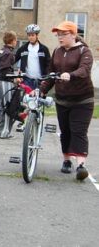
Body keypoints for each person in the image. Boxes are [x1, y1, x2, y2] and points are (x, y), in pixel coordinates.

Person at [39, 21, 94, 181]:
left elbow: (84, 70)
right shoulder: (57, 51)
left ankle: (81, 166)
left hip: (83, 99)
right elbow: (51, 74)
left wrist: (71, 74)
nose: (60, 37)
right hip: (62, 100)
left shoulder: (84, 51)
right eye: (58, 34)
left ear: (73, 34)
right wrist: (42, 89)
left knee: (79, 131)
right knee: (65, 132)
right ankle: (66, 161)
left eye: (63, 34)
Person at [15, 24, 51, 90]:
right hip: (27, 80)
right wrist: (17, 76)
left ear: (37, 35)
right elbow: (13, 60)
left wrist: (46, 79)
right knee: (26, 99)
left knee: (39, 99)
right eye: (29, 35)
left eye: (32, 35)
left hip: (41, 81)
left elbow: (49, 65)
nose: (30, 37)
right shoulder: (23, 48)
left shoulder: (44, 49)